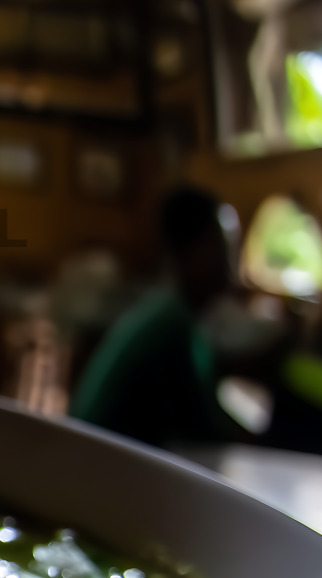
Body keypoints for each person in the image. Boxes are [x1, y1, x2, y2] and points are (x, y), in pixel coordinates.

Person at [69, 185, 237, 446]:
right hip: (97, 464)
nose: (229, 260)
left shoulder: (167, 311)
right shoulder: (173, 326)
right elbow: (209, 432)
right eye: (219, 244)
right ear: (187, 251)